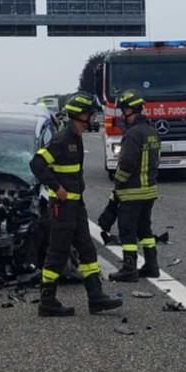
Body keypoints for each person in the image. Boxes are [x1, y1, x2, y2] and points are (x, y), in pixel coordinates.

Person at [30, 92, 123, 317]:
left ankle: (96, 297)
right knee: (58, 253)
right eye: (91, 114)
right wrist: (56, 188)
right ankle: (47, 301)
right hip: (63, 208)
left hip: (76, 207)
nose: (93, 118)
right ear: (81, 115)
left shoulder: (75, 138)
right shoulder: (63, 139)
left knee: (87, 249)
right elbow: (37, 163)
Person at [108, 90, 161, 282]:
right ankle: (151, 265)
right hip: (149, 190)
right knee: (144, 229)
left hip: (132, 191)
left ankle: (129, 269)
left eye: (123, 111)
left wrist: (118, 184)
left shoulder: (132, 134)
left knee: (127, 230)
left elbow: (127, 163)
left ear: (130, 110)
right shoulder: (152, 131)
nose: (122, 116)